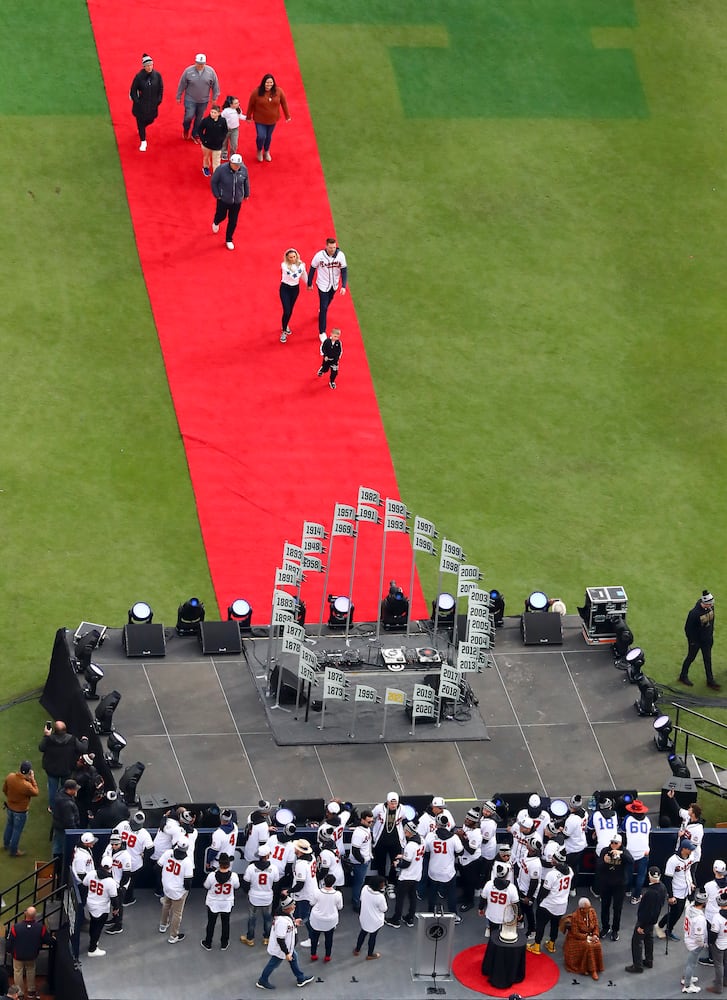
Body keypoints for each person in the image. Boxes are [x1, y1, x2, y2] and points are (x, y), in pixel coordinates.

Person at [256, 892, 315, 990]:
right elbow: (280, 938)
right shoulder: (282, 921)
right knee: (273, 964)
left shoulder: (286, 915)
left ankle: (300, 978)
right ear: (287, 908)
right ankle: (262, 980)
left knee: (293, 959)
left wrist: (295, 923)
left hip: (288, 947)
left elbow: (288, 929)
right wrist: (287, 953)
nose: (294, 906)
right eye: (293, 905)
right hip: (282, 949)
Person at [526, 847, 573, 954]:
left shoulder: (551, 874)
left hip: (549, 904)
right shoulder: (570, 870)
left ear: (557, 861)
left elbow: (544, 892)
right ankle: (551, 944)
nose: (551, 860)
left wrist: (539, 900)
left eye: (553, 859)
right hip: (562, 905)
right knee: (555, 925)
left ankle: (536, 946)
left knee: (540, 924)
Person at [626, 865, 668, 974]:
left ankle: (637, 966)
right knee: (649, 940)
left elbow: (647, 911)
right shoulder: (662, 888)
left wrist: (641, 926)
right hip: (653, 920)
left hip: (645, 922)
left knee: (636, 941)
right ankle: (649, 960)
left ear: (649, 876)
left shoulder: (650, 893)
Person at [38, 720, 88, 807]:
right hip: (66, 769)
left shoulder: (49, 739)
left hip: (52, 770)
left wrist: (46, 736)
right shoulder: (72, 739)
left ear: (54, 730)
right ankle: (64, 805)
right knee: (66, 788)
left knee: (52, 790)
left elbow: (41, 748)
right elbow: (83, 749)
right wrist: (84, 740)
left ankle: (53, 807)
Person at [307, 238, 347, 341]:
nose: (332, 249)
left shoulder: (341, 255)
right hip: (322, 285)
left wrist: (343, 286)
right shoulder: (319, 256)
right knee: (324, 308)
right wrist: (309, 283)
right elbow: (312, 268)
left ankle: (322, 310)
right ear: (326, 246)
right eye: (330, 247)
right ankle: (322, 332)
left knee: (329, 300)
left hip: (334, 285)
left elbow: (344, 270)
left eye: (334, 247)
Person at [245, 73, 290, 162]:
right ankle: (259, 150)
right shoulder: (256, 92)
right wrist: (248, 116)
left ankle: (266, 151)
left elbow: (284, 103)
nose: (269, 85)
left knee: (268, 136)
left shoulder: (279, 91)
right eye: (267, 82)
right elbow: (251, 104)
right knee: (261, 136)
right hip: (260, 119)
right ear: (263, 83)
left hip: (272, 119)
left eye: (271, 82)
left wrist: (287, 115)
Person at [241, 842, 280, 946]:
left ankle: (250, 939)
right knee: (267, 919)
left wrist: (248, 892)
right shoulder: (274, 868)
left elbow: (245, 883)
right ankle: (266, 938)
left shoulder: (251, 867)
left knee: (252, 918)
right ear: (267, 855)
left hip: (254, 896)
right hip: (267, 897)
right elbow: (276, 885)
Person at [658, 839, 697, 941]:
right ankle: (667, 929)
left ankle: (662, 926)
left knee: (678, 912)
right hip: (676, 891)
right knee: (676, 912)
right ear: (683, 849)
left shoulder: (690, 857)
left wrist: (691, 882)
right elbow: (667, 879)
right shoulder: (673, 860)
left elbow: (688, 871)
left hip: (685, 889)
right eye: (690, 849)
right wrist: (670, 896)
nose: (692, 851)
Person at [680, 590, 720, 689]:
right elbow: (688, 629)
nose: (711, 606)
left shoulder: (711, 608)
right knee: (690, 658)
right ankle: (683, 676)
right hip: (696, 642)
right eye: (710, 604)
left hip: (707, 640)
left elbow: (711, 622)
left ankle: (710, 681)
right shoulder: (694, 613)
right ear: (705, 603)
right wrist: (693, 642)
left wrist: (710, 634)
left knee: (708, 659)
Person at [7, 906, 49, 998]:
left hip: (18, 956)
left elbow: (10, 942)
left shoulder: (16, 927)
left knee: (18, 972)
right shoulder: (40, 927)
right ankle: (31, 991)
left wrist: (9, 950)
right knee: (31, 970)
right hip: (32, 955)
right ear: (35, 916)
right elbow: (47, 940)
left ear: (25, 914)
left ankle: (20, 994)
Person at [176, 54, 220, 143]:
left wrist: (214, 97)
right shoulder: (188, 71)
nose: (200, 66)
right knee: (189, 116)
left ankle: (195, 134)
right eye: (198, 63)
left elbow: (215, 85)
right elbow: (182, 84)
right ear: (195, 62)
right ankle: (186, 128)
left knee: (199, 118)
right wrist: (179, 95)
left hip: (203, 100)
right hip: (190, 99)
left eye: (202, 64)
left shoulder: (210, 72)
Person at [597, 832, 633, 942]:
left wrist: (621, 853)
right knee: (604, 906)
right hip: (606, 884)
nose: (613, 845)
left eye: (615, 843)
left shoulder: (624, 852)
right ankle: (605, 927)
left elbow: (631, 861)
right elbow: (598, 866)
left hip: (619, 885)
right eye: (612, 842)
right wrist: (604, 861)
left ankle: (615, 930)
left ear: (620, 843)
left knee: (617, 908)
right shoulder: (605, 851)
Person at [210, 154, 250, 251]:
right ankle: (216, 222)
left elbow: (246, 181)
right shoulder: (221, 169)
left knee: (233, 220)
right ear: (230, 163)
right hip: (223, 199)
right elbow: (213, 182)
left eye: (239, 164)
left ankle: (229, 239)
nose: (237, 167)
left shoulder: (243, 169)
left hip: (237, 201)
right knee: (222, 215)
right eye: (235, 165)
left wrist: (246, 193)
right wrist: (217, 195)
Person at [158, 837, 194, 943]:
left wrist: (165, 879)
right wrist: (186, 891)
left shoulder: (168, 853)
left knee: (166, 905)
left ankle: (163, 925)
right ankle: (173, 936)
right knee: (177, 914)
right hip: (178, 891)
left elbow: (158, 867)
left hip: (167, 886)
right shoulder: (187, 862)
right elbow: (188, 882)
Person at [559, 897, 604, 982]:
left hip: (591, 935)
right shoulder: (575, 917)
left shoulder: (592, 912)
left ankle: (595, 967)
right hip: (577, 938)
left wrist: (595, 935)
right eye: (588, 908)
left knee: (597, 944)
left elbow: (596, 926)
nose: (590, 909)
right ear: (582, 909)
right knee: (589, 946)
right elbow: (576, 933)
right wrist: (588, 937)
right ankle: (592, 970)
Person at [202, 852, 239, 951]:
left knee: (211, 923)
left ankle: (208, 943)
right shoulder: (234, 876)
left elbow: (206, 886)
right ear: (229, 864)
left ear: (219, 864)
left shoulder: (211, 876)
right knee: (225, 923)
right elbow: (237, 886)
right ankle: (224, 943)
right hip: (227, 903)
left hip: (213, 902)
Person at [3, 760, 38, 857]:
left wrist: (10, 799)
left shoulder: (10, 777)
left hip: (10, 807)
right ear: (29, 772)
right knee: (17, 830)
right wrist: (32, 779)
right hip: (20, 811)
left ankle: (6, 844)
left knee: (9, 825)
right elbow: (36, 792)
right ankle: (13, 851)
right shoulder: (26, 785)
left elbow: (4, 789)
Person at [129, 53, 163, 152]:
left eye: (151, 65)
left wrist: (159, 99)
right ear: (144, 66)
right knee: (140, 121)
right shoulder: (139, 77)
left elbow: (161, 88)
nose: (149, 67)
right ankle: (143, 141)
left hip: (153, 104)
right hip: (141, 105)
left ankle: (141, 128)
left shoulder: (157, 75)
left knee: (151, 120)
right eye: (147, 65)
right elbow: (133, 90)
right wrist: (137, 101)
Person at [101, 832, 132, 934]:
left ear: (120, 843)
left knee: (118, 904)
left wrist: (122, 887)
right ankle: (114, 919)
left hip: (120, 883)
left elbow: (127, 874)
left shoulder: (125, 855)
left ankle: (118, 925)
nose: (114, 846)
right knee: (114, 903)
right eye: (112, 844)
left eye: (116, 844)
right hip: (111, 882)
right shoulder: (109, 849)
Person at [479, 861, 520, 939]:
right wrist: (519, 914)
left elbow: (483, 898)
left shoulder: (489, 884)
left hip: (492, 916)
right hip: (507, 917)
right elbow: (516, 904)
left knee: (493, 936)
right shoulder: (512, 888)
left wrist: (480, 909)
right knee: (505, 937)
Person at [623, 798, 652, 904]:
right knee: (641, 875)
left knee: (628, 873)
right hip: (644, 851)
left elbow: (623, 829)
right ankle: (636, 896)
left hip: (630, 850)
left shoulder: (628, 818)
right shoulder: (647, 820)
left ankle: (627, 890)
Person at [86, 861, 118, 957]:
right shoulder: (110, 881)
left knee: (93, 923)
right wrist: (116, 908)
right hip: (101, 907)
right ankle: (92, 949)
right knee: (98, 927)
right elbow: (114, 898)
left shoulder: (91, 873)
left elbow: (84, 883)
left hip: (91, 903)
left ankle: (93, 942)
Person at [309, 872, 343, 962]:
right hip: (330, 920)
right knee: (329, 939)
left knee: (314, 938)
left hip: (317, 919)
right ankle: (327, 956)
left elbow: (312, 903)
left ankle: (313, 954)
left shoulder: (317, 892)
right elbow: (340, 907)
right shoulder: (337, 894)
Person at [354, 877, 388, 960]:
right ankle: (370, 954)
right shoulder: (380, 897)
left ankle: (357, 950)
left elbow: (361, 899)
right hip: (375, 921)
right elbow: (384, 909)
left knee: (363, 933)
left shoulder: (365, 888)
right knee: (373, 937)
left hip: (364, 917)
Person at [348, 809, 374, 913]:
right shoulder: (359, 833)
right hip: (359, 863)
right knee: (358, 883)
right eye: (369, 822)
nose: (371, 824)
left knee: (359, 882)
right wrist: (362, 860)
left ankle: (356, 899)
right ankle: (356, 903)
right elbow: (355, 850)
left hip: (364, 860)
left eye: (372, 821)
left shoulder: (364, 828)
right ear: (362, 820)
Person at [682, 889, 708, 994]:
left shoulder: (689, 908)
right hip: (694, 943)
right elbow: (699, 937)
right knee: (691, 964)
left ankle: (687, 977)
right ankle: (687, 985)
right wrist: (704, 944)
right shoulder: (700, 919)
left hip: (688, 937)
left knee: (690, 963)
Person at [279, 248, 307, 342]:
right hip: (285, 288)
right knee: (286, 310)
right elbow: (293, 276)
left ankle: (285, 324)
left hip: (295, 289)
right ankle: (283, 331)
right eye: (290, 257)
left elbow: (304, 275)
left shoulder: (300, 265)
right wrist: (302, 268)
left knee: (290, 310)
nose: (292, 259)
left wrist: (309, 284)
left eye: (294, 257)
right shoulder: (284, 265)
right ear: (287, 257)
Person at [51, 778, 80, 858]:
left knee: (57, 846)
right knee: (63, 848)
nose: (76, 791)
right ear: (69, 790)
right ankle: (59, 864)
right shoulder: (67, 804)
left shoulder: (61, 794)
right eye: (75, 789)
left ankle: (56, 863)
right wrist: (74, 832)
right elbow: (69, 821)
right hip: (64, 829)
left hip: (58, 825)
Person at [198, 105, 227, 177]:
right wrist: (203, 139)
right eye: (212, 112)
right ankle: (206, 167)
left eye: (215, 112)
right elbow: (200, 130)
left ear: (219, 113)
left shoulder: (223, 121)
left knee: (217, 161)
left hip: (217, 146)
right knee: (206, 157)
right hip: (206, 145)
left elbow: (225, 131)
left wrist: (221, 139)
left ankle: (216, 175)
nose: (213, 114)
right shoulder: (205, 120)